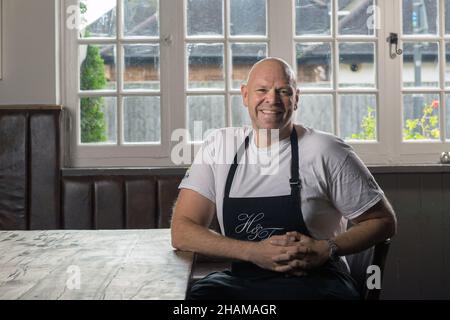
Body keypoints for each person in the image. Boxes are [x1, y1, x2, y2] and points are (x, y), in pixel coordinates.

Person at [171, 57, 397, 300]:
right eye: (262, 90)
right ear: (245, 95)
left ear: (296, 98)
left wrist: (327, 248)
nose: (272, 99)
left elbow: (384, 221)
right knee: (196, 299)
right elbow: (182, 231)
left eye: (283, 91)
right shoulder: (219, 146)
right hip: (243, 282)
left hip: (317, 284)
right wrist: (252, 252)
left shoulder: (326, 150)